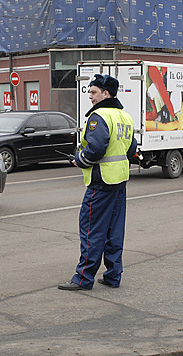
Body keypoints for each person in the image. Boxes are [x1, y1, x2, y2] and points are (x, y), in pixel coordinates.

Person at [59, 74, 137, 291]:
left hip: (100, 182)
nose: (90, 96)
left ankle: (83, 279)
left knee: (92, 230)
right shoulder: (124, 117)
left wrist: (79, 160)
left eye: (93, 92)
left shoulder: (98, 117)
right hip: (119, 181)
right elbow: (131, 150)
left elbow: (96, 148)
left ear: (106, 93)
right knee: (114, 231)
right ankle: (113, 276)